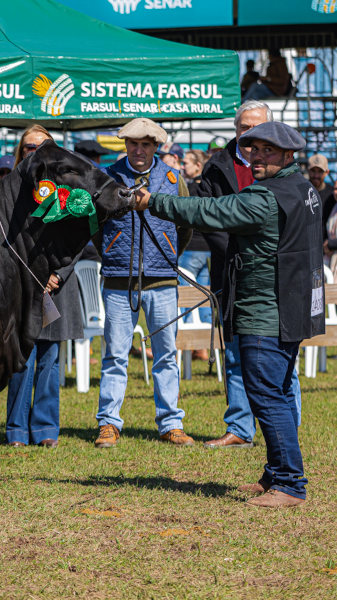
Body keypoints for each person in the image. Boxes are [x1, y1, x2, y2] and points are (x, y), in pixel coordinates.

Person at [133, 121, 319, 508]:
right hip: (289, 309)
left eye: (267, 151)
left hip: (265, 313)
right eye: (252, 149)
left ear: (288, 155)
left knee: (267, 396)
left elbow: (208, 210)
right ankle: (276, 474)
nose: (256, 157)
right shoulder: (303, 189)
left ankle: (289, 485)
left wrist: (153, 201)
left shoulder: (264, 198)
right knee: (279, 392)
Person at [196, 100, 302, 449]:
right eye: (244, 129)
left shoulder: (286, 172)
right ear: (236, 130)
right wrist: (241, 252)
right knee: (236, 353)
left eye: (258, 129)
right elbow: (208, 217)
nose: (251, 137)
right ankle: (240, 427)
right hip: (230, 272)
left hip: (275, 278)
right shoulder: (217, 167)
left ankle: (287, 428)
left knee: (280, 361)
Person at [95, 117, 194, 449]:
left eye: (146, 144)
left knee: (166, 353)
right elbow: (94, 225)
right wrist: (110, 251)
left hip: (162, 280)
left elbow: (186, 224)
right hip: (118, 279)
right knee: (115, 354)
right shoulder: (107, 177)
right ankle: (108, 423)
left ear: (156, 147)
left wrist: (166, 252)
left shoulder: (172, 178)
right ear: (125, 145)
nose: (139, 150)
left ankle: (170, 422)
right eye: (133, 144)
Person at [4, 130, 83, 449]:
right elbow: (4, 240)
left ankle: (46, 429)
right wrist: (34, 274)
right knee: (22, 357)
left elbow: (80, 237)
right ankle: (16, 431)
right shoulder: (8, 190)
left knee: (50, 359)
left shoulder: (70, 189)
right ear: (21, 151)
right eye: (30, 146)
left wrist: (58, 274)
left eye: (43, 147)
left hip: (57, 286)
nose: (36, 151)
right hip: (23, 284)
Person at [179, 149, 213, 331]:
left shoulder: (191, 190)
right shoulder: (211, 187)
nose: (182, 167)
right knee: (204, 297)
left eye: (186, 163)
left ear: (198, 166)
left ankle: (187, 342)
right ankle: (204, 347)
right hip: (208, 247)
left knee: (186, 298)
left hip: (192, 248)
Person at [307, 154, 335, 236]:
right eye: (313, 171)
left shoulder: (332, 194)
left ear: (327, 172)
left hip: (325, 244)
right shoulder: (300, 191)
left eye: (320, 171)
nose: (316, 176)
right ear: (308, 170)